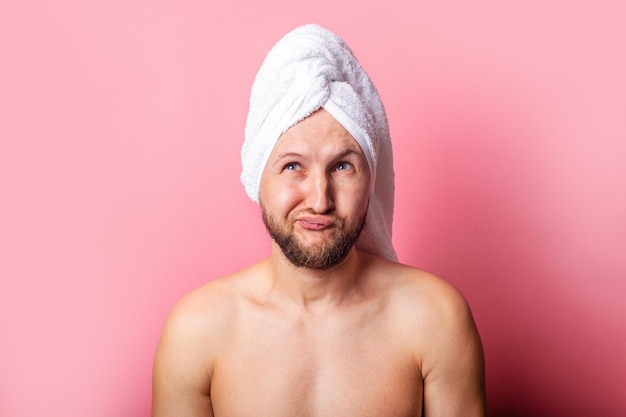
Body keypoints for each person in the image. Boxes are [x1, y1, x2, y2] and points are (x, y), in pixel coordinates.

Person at [152, 24, 485, 417]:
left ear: (371, 179)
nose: (319, 199)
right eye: (293, 166)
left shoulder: (434, 319)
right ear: (257, 176)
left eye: (342, 166)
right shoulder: (198, 332)